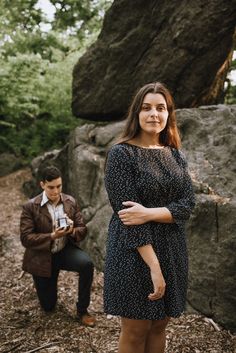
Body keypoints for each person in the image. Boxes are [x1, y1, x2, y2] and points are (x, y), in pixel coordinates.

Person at [104, 82, 195, 353]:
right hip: (135, 252)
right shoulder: (121, 154)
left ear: (169, 114)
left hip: (172, 248)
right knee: (136, 329)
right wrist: (154, 268)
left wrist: (149, 213)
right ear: (136, 114)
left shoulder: (175, 155)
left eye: (160, 108)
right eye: (146, 108)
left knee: (159, 326)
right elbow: (129, 219)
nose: (154, 114)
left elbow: (188, 205)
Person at [20, 165, 95, 327]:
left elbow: (83, 229)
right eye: (51, 187)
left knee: (87, 264)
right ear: (42, 185)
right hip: (41, 257)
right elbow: (26, 239)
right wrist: (52, 235)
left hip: (64, 251)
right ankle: (47, 286)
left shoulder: (70, 201)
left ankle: (82, 310)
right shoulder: (30, 206)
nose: (55, 191)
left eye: (59, 186)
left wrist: (71, 230)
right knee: (48, 306)